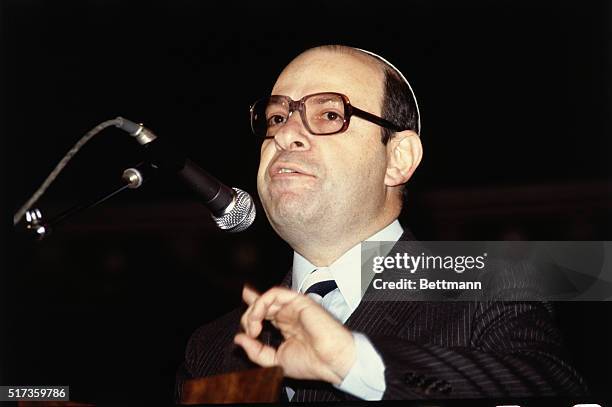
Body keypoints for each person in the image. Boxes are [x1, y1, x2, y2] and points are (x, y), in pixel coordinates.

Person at [176, 45, 586, 402]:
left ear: (398, 158)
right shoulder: (214, 349)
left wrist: (353, 362)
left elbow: (554, 390)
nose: (286, 136)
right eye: (277, 118)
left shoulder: (489, 288)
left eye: (330, 113)